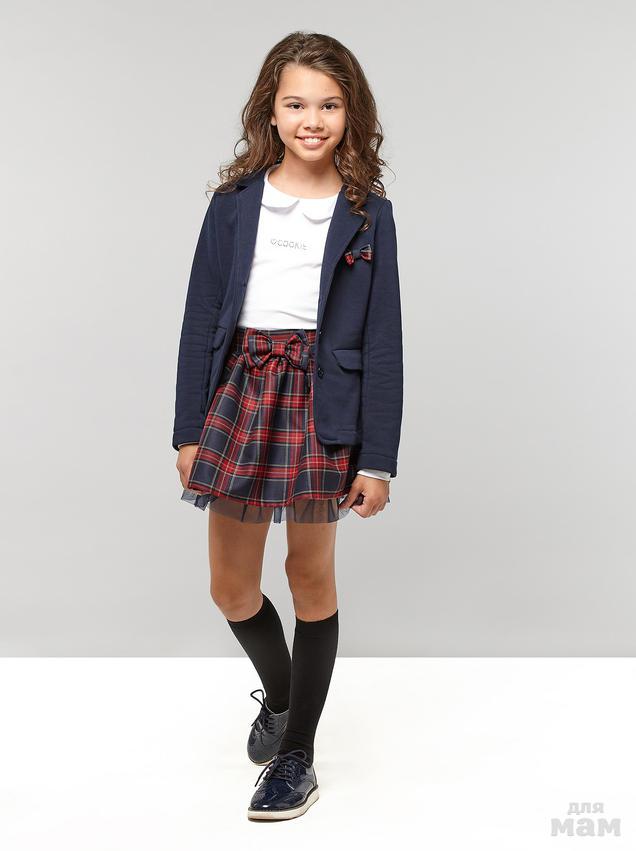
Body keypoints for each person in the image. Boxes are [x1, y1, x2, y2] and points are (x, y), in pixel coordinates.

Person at [172, 31, 403, 821]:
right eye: (296, 103)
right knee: (231, 585)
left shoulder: (368, 215)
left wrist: (378, 458)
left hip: (322, 401)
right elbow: (200, 317)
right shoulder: (234, 204)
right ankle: (282, 696)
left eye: (329, 105)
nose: (313, 120)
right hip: (242, 391)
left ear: (351, 113)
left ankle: (296, 753)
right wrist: (188, 429)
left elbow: (384, 339)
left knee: (310, 575)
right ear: (269, 112)